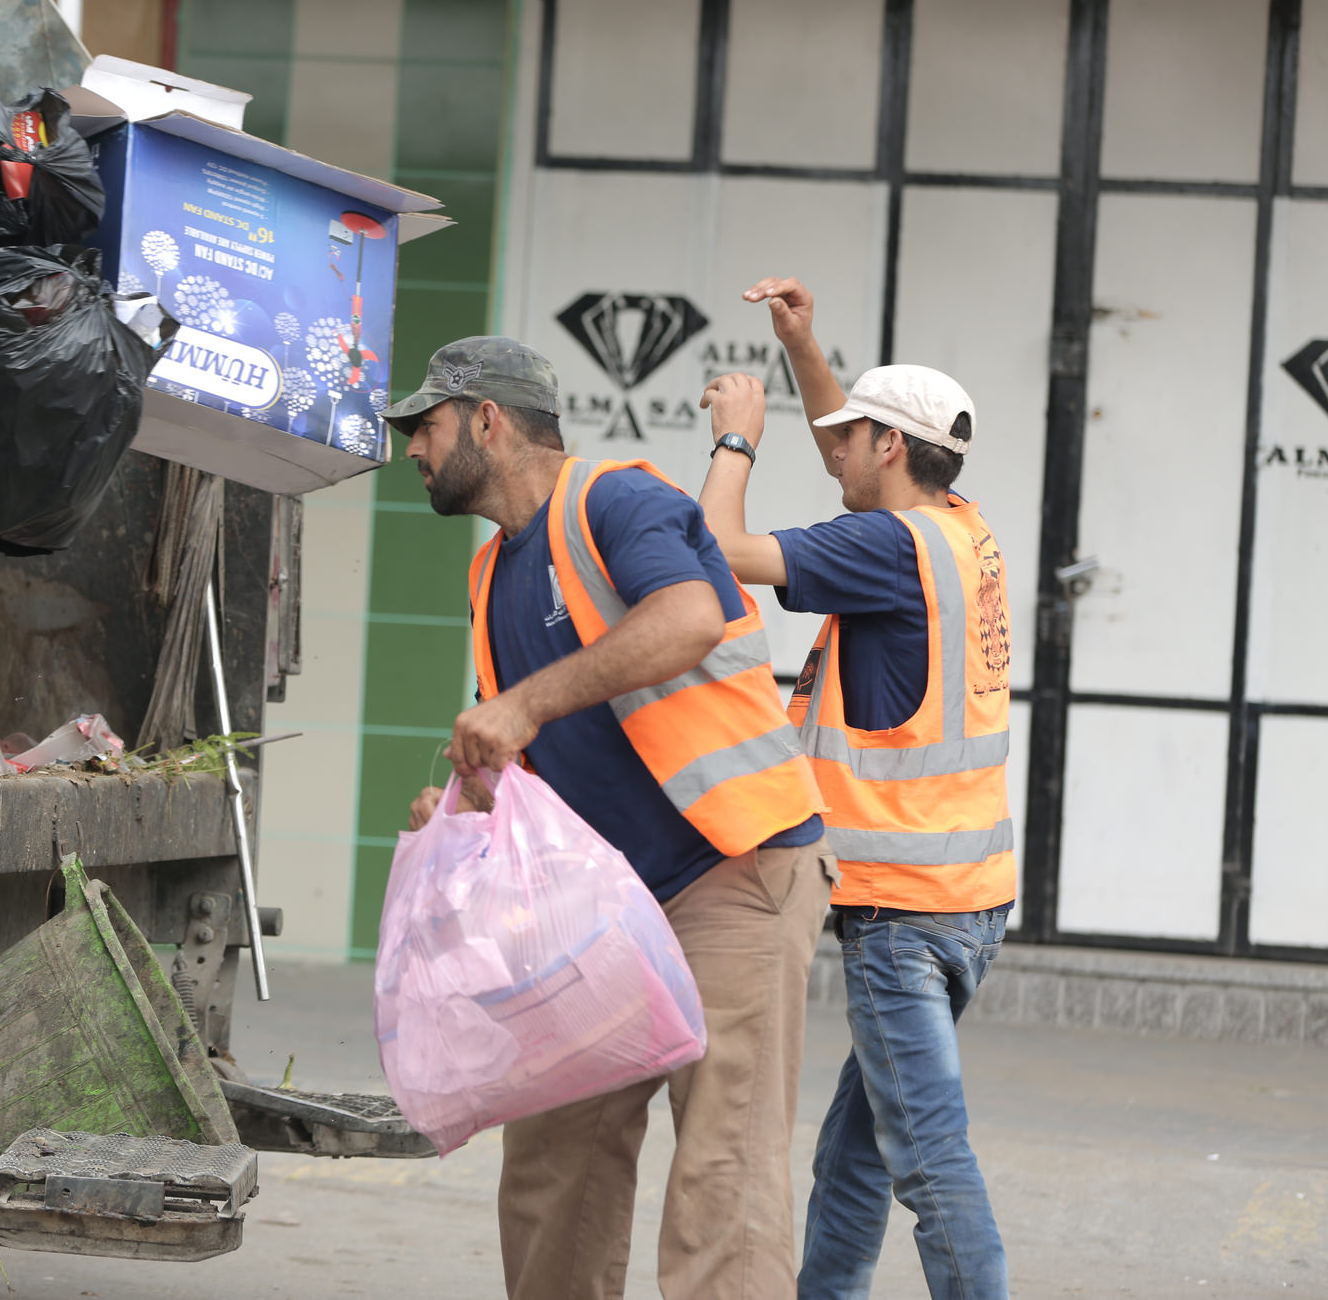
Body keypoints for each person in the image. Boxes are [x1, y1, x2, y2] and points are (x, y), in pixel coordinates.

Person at [388, 334, 838, 1300]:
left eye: (423, 426)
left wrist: (525, 703)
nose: (411, 450)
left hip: (734, 874)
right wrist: (468, 804)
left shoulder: (616, 501)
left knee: (724, 1176)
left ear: (488, 420)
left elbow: (690, 618)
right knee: (556, 1164)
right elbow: (544, 750)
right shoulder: (493, 573)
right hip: (603, 907)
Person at [693, 277, 1015, 1300]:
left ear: (888, 448)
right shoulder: (955, 528)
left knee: (923, 1157)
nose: (835, 447)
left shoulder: (882, 547)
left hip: (899, 914)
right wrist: (801, 346)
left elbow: (718, 551)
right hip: (966, 898)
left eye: (854, 434)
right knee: (856, 1155)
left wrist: (735, 442)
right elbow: (849, 462)